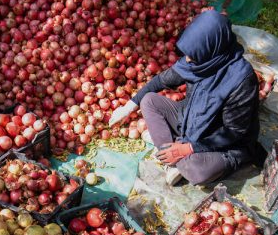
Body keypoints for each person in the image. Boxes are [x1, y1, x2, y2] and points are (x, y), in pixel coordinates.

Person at [109, 10, 261, 186]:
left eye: (194, 55)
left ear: (212, 47)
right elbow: (161, 80)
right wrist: (129, 106)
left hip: (223, 140)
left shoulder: (241, 79)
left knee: (199, 172)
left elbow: (233, 132)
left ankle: (172, 152)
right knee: (149, 101)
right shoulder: (199, 61)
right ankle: (173, 155)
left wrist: (188, 148)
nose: (187, 60)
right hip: (191, 117)